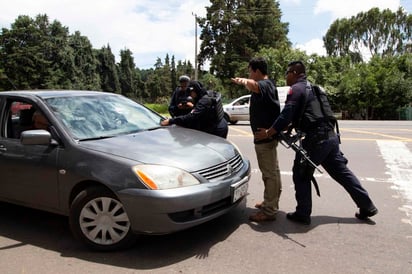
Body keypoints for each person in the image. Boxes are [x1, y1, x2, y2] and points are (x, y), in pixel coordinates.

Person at [255, 60, 378, 225]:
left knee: (301, 173)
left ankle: (302, 213)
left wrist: (269, 132)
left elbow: (287, 113)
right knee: (342, 173)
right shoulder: (314, 88)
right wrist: (291, 127)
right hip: (331, 137)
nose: (286, 77)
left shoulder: (296, 89)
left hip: (316, 140)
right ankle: (367, 206)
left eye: (287, 73)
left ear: (294, 73)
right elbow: (310, 113)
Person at [231, 57, 282, 222]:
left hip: (265, 140)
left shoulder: (265, 85)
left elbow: (254, 85)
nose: (248, 74)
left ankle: (269, 210)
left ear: (257, 71)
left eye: (250, 71)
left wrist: (242, 81)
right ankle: (270, 202)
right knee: (273, 172)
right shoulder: (267, 86)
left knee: (269, 174)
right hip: (267, 138)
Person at [161, 80, 228, 138]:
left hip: (217, 129)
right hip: (220, 124)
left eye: (191, 93)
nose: (190, 95)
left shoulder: (204, 101)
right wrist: (193, 107)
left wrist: (171, 121)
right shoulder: (208, 95)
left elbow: (191, 117)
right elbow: (205, 110)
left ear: (194, 90)